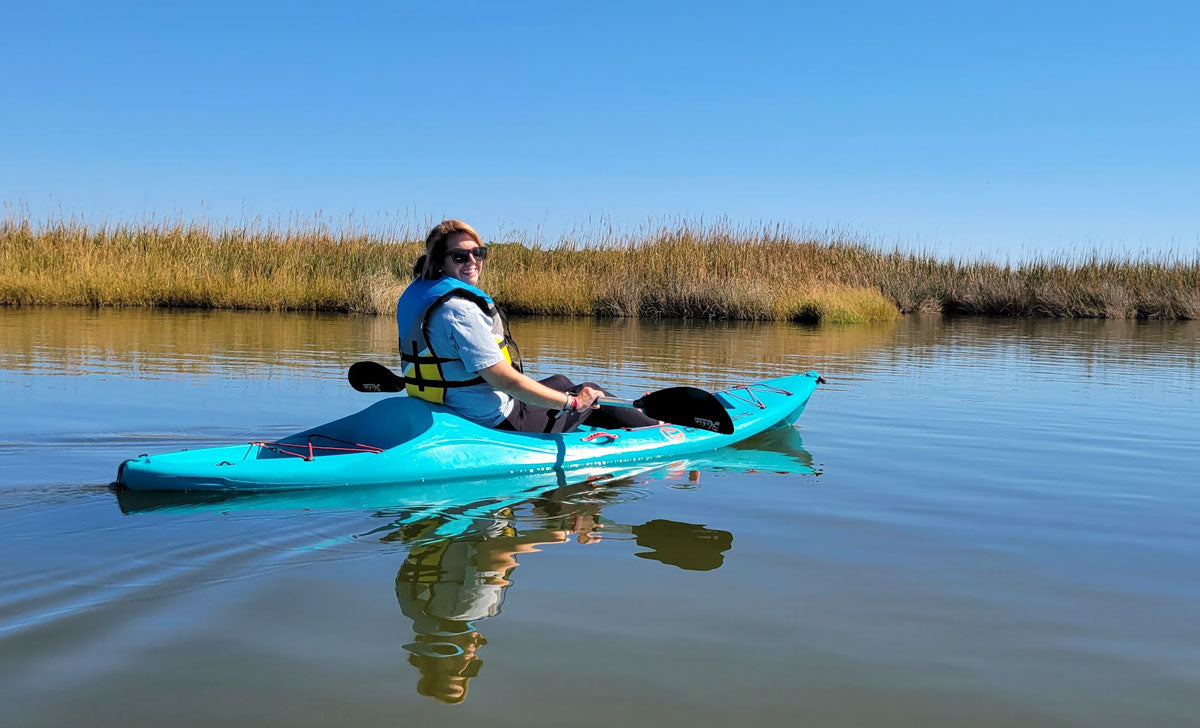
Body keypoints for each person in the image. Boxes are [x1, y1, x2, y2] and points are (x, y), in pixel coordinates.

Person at [396, 219, 658, 433]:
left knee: (560, 380)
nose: (472, 261)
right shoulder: (460, 311)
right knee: (592, 392)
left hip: (453, 405)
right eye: (460, 256)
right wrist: (573, 402)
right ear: (440, 261)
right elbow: (506, 381)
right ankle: (658, 429)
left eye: (478, 253)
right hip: (494, 419)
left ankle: (628, 421)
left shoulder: (421, 300)